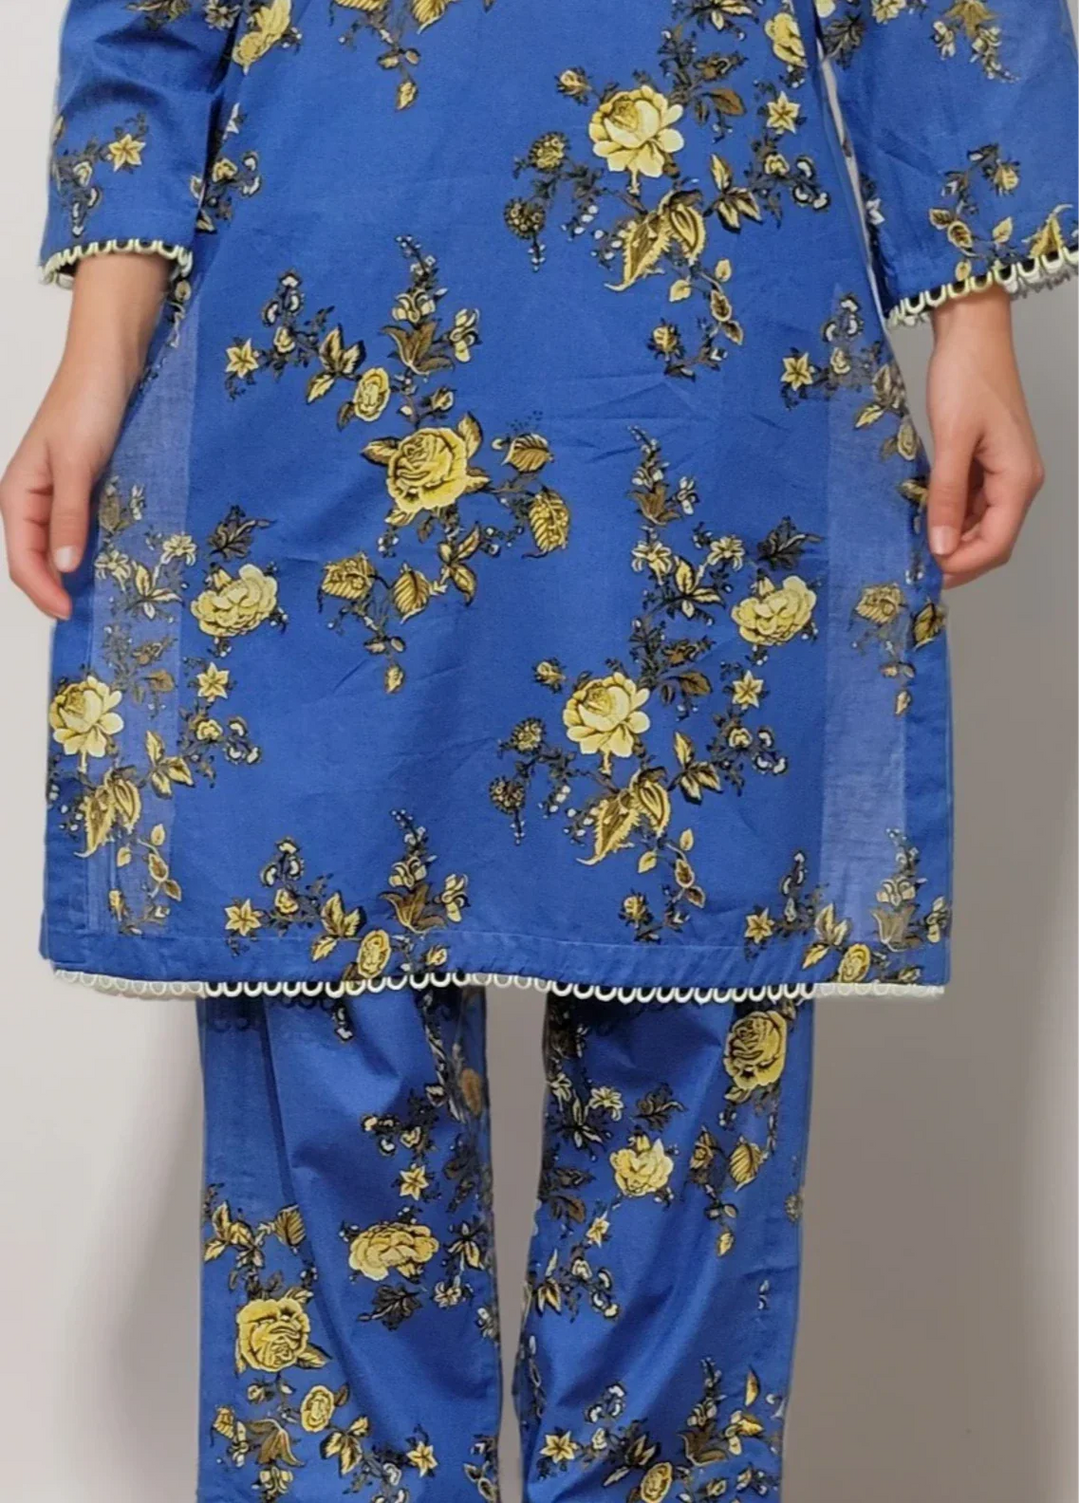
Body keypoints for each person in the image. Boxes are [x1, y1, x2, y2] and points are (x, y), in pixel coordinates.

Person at [2, 2, 1078, 1497]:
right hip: (322, 350)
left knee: (688, 1068)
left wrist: (976, 320)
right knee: (331, 1065)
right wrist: (94, 353)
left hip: (701, 340)